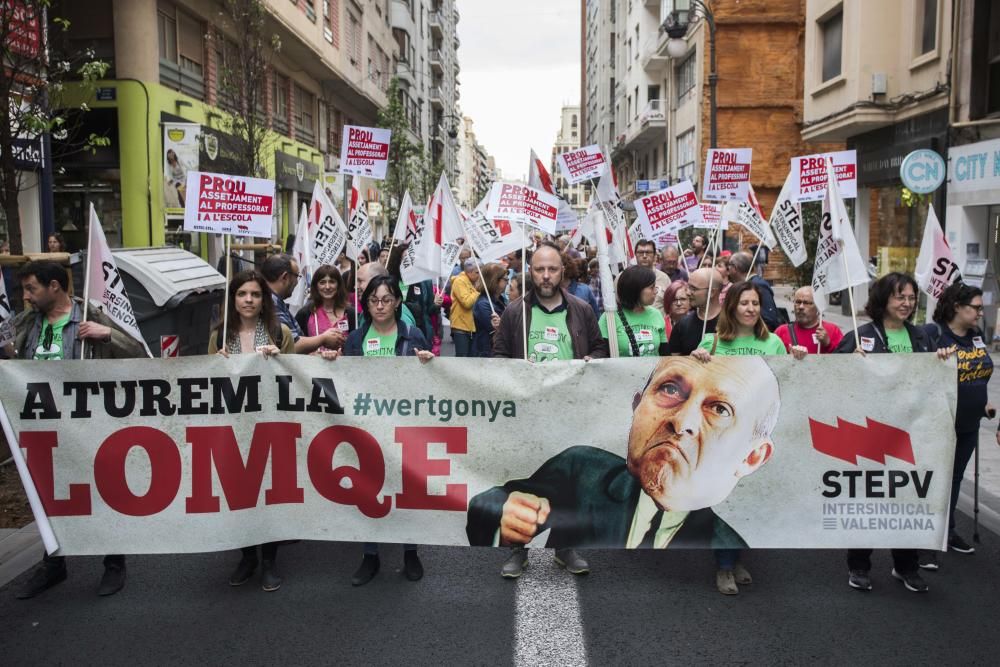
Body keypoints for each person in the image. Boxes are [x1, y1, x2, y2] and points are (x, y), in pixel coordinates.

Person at [466, 356, 782, 565]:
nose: (682, 420)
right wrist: (504, 515)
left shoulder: (727, 549)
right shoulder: (584, 470)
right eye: (670, 389)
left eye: (720, 409)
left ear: (752, 456)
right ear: (636, 405)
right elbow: (494, 502)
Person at [10, 261, 146, 599]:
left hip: (89, 425)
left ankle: (114, 562)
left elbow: (137, 353)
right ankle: (54, 563)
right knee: (48, 495)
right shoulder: (27, 322)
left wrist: (108, 335)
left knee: (102, 491)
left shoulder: (91, 315)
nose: (26, 297)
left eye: (32, 289)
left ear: (54, 286)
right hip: (42, 427)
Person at [491, 241, 608, 577]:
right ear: (531, 271)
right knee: (522, 481)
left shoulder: (582, 309)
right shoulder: (515, 312)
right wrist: (516, 369)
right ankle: (517, 549)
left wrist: (592, 360)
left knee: (568, 482)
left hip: (570, 410)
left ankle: (565, 546)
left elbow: (600, 348)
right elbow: (497, 358)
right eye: (539, 269)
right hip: (528, 412)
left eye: (552, 269)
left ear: (562, 271)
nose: (545, 275)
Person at [835, 272, 949, 594]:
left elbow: (931, 382)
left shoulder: (922, 337)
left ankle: (906, 566)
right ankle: (859, 566)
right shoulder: (861, 335)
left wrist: (940, 361)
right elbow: (830, 379)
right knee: (868, 502)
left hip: (910, 434)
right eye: (900, 296)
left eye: (912, 298)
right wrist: (848, 362)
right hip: (870, 434)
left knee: (907, 501)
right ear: (883, 299)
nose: (907, 303)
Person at [691, 280, 806, 594]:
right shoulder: (711, 342)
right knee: (726, 502)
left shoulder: (773, 345)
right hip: (722, 438)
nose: (751, 309)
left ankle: (736, 558)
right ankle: (725, 567)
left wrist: (797, 358)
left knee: (751, 503)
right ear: (732, 307)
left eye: (755, 303)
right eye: (744, 303)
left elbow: (789, 384)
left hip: (758, 437)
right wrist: (696, 359)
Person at [343, 275, 433, 585]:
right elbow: (345, 381)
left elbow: (429, 381)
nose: (380, 306)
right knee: (369, 490)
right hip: (368, 428)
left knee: (406, 490)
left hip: (405, 428)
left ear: (397, 302)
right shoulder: (355, 339)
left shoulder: (413, 334)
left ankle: (411, 551)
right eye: (373, 300)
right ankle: (370, 556)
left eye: (386, 299)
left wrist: (428, 363)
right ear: (366, 304)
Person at [208, 270, 295, 591]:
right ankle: (247, 556)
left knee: (268, 494)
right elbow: (208, 384)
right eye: (242, 294)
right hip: (233, 429)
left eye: (255, 295)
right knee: (240, 493)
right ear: (233, 299)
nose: (248, 300)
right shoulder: (220, 335)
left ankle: (269, 560)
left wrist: (279, 359)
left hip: (270, 428)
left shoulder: (279, 331)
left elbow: (295, 378)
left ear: (264, 300)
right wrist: (215, 363)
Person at [923, 282, 993, 561]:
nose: (979, 313)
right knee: (935, 480)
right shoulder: (934, 333)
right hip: (940, 423)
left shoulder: (976, 336)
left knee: (954, 479)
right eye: (975, 307)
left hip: (969, 424)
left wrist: (984, 401)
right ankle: (926, 538)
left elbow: (980, 372)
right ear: (957, 307)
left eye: (980, 308)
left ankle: (947, 530)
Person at [260, 253, 343, 354]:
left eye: (332, 282)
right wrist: (323, 339)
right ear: (285, 277)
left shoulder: (277, 301)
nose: (297, 282)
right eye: (297, 276)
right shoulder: (270, 302)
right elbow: (292, 345)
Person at [599, 265, 668, 357]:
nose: (656, 291)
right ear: (636, 289)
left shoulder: (656, 314)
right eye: (652, 287)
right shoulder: (609, 317)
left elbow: (665, 354)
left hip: (654, 371)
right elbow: (601, 353)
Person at [294, 265, 355, 351]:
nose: (327, 287)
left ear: (339, 285)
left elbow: (357, 346)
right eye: (322, 282)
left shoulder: (351, 313)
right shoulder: (305, 313)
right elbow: (295, 344)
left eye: (332, 282)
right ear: (316, 286)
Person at [669, 267, 724, 356]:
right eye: (688, 287)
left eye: (693, 289)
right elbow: (674, 363)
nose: (688, 293)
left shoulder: (732, 322)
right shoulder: (682, 325)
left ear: (712, 292)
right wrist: (691, 360)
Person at [774, 286, 844, 354]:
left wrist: (828, 345)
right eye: (798, 302)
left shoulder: (833, 331)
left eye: (806, 303)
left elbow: (844, 360)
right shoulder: (781, 332)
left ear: (818, 307)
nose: (801, 307)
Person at [726, 252, 779, 330]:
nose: (728, 270)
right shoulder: (746, 284)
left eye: (729, 266)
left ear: (735, 268)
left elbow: (769, 319)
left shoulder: (758, 285)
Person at [473, 263, 507, 357]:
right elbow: (495, 331)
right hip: (487, 352)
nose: (508, 282)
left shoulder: (500, 299)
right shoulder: (483, 304)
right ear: (495, 280)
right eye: (505, 279)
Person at [450, 257, 481, 357]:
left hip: (470, 327)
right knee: (462, 359)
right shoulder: (459, 281)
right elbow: (467, 303)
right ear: (470, 272)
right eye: (477, 272)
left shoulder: (472, 281)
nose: (479, 275)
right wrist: (477, 291)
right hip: (461, 327)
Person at [633, 240, 672, 312]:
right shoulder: (625, 278)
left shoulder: (664, 278)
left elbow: (670, 304)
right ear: (635, 254)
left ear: (654, 255)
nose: (644, 256)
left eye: (648, 252)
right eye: (641, 252)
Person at [560, 251, 600, 317]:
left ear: (563, 269)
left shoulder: (584, 290)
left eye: (553, 269)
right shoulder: (550, 293)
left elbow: (595, 316)